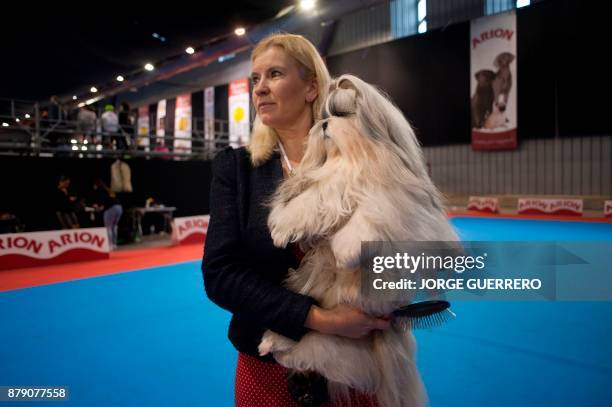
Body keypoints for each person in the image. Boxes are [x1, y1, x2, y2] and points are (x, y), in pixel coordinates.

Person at [202, 33, 389, 407]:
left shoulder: (360, 162)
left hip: (356, 365)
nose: (260, 89)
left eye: (274, 74)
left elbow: (396, 247)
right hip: (267, 366)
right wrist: (322, 319)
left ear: (310, 88)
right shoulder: (236, 169)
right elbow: (220, 275)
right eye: (255, 79)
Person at [90, 178, 123, 250]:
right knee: (114, 226)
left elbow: (103, 203)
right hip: (119, 207)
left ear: (96, 185)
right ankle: (114, 244)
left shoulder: (100, 190)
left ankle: (110, 245)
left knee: (108, 227)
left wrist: (97, 207)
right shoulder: (108, 189)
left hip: (111, 208)